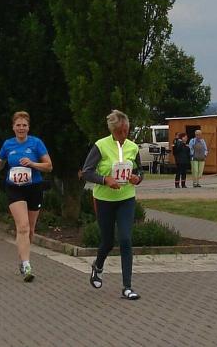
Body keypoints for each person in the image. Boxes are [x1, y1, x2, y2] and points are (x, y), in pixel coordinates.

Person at [82, 110, 143, 300]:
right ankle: (98, 266)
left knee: (125, 239)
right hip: (104, 200)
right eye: (119, 132)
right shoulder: (100, 146)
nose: (123, 135)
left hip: (126, 198)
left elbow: (140, 170)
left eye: (126, 131)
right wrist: (105, 179)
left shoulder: (133, 147)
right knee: (108, 242)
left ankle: (127, 287)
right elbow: (87, 172)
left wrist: (137, 178)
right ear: (112, 130)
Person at [0, 111, 53, 282]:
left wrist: (32, 163)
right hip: (14, 188)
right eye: (18, 125)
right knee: (22, 226)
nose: (21, 128)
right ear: (13, 127)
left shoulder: (36, 143)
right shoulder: (8, 144)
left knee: (30, 229)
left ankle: (23, 258)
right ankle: (27, 265)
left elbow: (49, 166)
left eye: (24, 125)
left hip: (34, 187)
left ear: (28, 127)